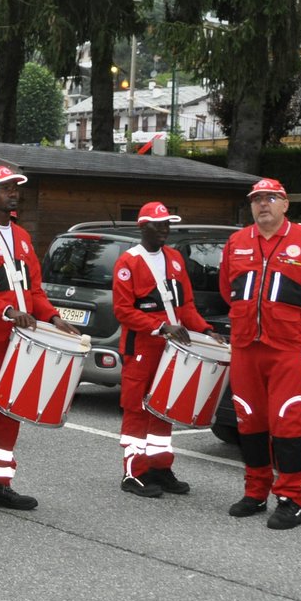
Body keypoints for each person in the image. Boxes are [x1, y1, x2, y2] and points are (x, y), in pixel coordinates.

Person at [0, 165, 81, 517]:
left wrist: (53, 318)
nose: (14, 193)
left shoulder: (23, 237)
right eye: (7, 188)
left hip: (22, 341)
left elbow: (34, 291)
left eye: (16, 189)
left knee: (12, 409)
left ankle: (0, 484)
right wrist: (6, 311)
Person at [219, 177, 301, 529]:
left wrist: (295, 326)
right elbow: (228, 290)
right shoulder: (236, 241)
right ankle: (256, 492)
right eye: (257, 199)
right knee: (249, 421)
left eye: (271, 198)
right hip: (246, 347)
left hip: (288, 349)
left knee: (289, 423)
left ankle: (291, 500)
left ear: (285, 204)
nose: (263, 204)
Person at [111, 201, 222, 498]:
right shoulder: (128, 262)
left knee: (163, 408)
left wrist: (206, 330)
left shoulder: (174, 258)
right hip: (142, 348)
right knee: (137, 409)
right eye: (158, 224)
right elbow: (123, 311)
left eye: (167, 224)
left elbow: (185, 306)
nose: (164, 229)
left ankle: (160, 467)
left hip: (171, 349)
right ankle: (134, 473)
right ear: (142, 226)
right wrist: (161, 327)